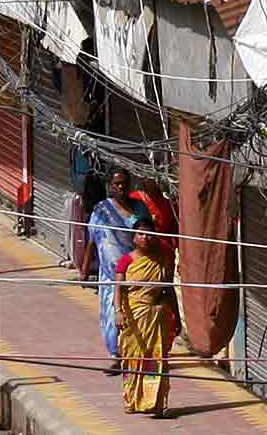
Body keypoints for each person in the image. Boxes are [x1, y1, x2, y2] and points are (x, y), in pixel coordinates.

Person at [86, 167, 148, 373]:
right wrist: (85, 270)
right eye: (117, 183)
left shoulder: (140, 208)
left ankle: (136, 354)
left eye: (124, 183)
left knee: (137, 313)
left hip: (137, 271)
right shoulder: (101, 210)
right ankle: (118, 356)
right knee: (114, 314)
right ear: (109, 186)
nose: (121, 187)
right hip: (111, 275)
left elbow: (149, 234)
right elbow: (92, 239)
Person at [117, 215, 179, 419]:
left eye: (149, 234)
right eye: (140, 234)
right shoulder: (126, 261)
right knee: (133, 358)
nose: (145, 238)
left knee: (156, 359)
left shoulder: (162, 259)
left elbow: (169, 289)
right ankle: (132, 399)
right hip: (134, 317)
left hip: (157, 316)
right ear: (134, 237)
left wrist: (176, 316)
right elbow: (119, 289)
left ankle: (156, 402)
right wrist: (118, 312)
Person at [129, 177, 180, 269]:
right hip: (142, 249)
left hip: (164, 250)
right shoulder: (134, 198)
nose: (155, 181)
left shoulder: (169, 202)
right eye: (150, 178)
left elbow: (175, 228)